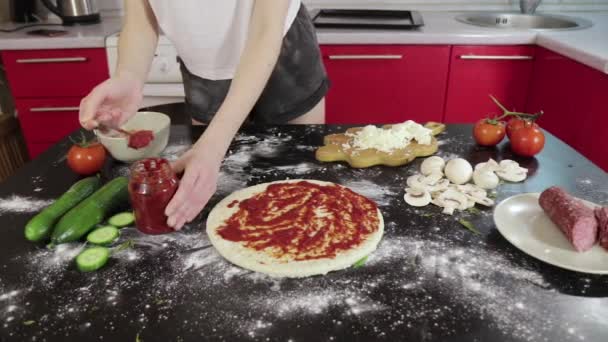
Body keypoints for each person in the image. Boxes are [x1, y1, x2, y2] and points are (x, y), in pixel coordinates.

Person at [79, 0, 329, 230]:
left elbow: (266, 29)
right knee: (218, 196)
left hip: (282, 52)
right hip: (202, 67)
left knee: (303, 190)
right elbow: (140, 20)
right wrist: (128, 76)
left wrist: (212, 147)